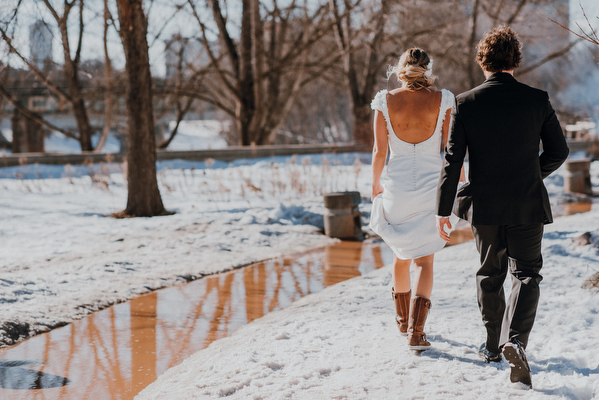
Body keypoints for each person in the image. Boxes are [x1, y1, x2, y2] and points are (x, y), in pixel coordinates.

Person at [436, 26, 569, 388]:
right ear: (516, 61)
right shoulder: (537, 99)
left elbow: (452, 161)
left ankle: (493, 346)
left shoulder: (465, 102)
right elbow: (560, 151)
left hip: (486, 204)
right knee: (526, 273)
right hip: (527, 202)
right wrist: (530, 173)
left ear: (483, 62)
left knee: (489, 274)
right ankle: (516, 342)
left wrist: (443, 211)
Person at [370, 48, 457, 351]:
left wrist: (375, 184)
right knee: (425, 261)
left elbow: (380, 152)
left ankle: (401, 320)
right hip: (433, 189)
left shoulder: (385, 100)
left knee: (400, 256)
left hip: (397, 188)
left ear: (401, 68)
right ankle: (416, 333)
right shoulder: (443, 99)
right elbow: (450, 148)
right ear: (427, 68)